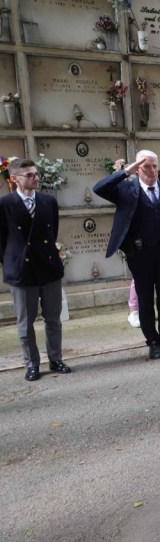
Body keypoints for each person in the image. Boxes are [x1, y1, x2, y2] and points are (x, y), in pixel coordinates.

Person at [93, 150, 160, 360]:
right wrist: (125, 172)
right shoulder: (126, 189)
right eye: (146, 167)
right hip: (140, 254)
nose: (152, 171)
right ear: (137, 168)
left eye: (155, 166)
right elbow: (99, 188)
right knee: (145, 300)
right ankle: (152, 342)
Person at [0, 158, 71, 381]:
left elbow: (52, 232)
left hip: (48, 267)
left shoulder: (48, 202)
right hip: (22, 271)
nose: (35, 178)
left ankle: (55, 358)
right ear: (14, 179)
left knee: (53, 318)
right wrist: (13, 262)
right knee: (25, 321)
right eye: (29, 175)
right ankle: (31, 364)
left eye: (36, 173)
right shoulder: (4, 205)